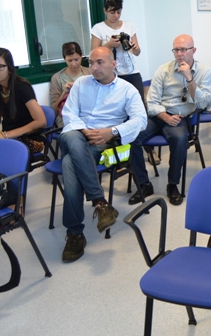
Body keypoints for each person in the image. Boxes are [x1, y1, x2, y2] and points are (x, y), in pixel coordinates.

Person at [59, 46, 146, 262]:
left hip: (102, 143)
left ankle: (75, 233)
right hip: (77, 135)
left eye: (100, 62)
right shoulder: (81, 84)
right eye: (91, 63)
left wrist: (112, 131)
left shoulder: (127, 90)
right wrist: (82, 130)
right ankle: (99, 201)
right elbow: (68, 113)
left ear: (114, 64)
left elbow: (141, 120)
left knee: (69, 164)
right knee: (72, 138)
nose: (94, 67)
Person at [129, 34, 211, 206]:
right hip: (159, 115)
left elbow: (203, 103)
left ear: (193, 50)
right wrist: (165, 116)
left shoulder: (204, 71)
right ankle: (144, 184)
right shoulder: (163, 70)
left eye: (183, 50)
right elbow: (151, 102)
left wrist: (190, 79)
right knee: (131, 136)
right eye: (176, 50)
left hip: (180, 117)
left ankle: (172, 185)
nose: (179, 54)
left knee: (180, 139)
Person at [91, 0, 145, 102]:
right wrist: (109, 45)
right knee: (117, 105)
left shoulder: (129, 26)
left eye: (119, 12)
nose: (116, 15)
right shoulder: (98, 28)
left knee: (139, 102)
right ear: (105, 10)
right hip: (112, 74)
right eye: (112, 12)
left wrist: (135, 47)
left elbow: (137, 52)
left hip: (132, 71)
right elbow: (93, 53)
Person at [49, 42, 91, 127]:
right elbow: (55, 108)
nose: (74, 64)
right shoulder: (57, 78)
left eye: (76, 59)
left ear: (81, 56)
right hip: (66, 118)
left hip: (88, 115)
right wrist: (64, 93)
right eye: (70, 61)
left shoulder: (90, 73)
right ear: (64, 58)